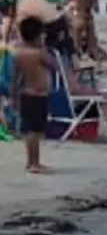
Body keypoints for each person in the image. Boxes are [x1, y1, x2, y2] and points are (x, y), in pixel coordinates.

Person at [13, 16, 57, 174]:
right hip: (38, 95)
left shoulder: (19, 54)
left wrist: (14, 98)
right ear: (38, 36)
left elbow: (15, 79)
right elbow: (54, 66)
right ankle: (33, 163)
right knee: (35, 131)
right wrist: (44, 48)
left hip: (26, 93)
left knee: (32, 131)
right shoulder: (39, 54)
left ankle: (32, 161)